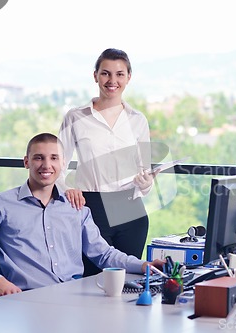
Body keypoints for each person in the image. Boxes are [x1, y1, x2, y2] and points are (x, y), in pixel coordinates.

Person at [0, 133, 163, 297]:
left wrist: (144, 265)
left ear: (63, 164)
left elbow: (104, 255)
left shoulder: (76, 207)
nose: (46, 165)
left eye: (54, 158)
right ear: (26, 162)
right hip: (27, 301)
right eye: (38, 158)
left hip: (75, 299)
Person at [57, 48, 154, 275]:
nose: (112, 81)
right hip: (91, 207)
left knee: (128, 281)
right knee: (90, 280)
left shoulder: (138, 120)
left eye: (120, 74)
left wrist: (145, 182)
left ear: (128, 77)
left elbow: (146, 175)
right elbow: (57, 166)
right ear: (95, 76)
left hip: (131, 209)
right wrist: (67, 189)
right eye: (106, 73)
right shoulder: (76, 117)